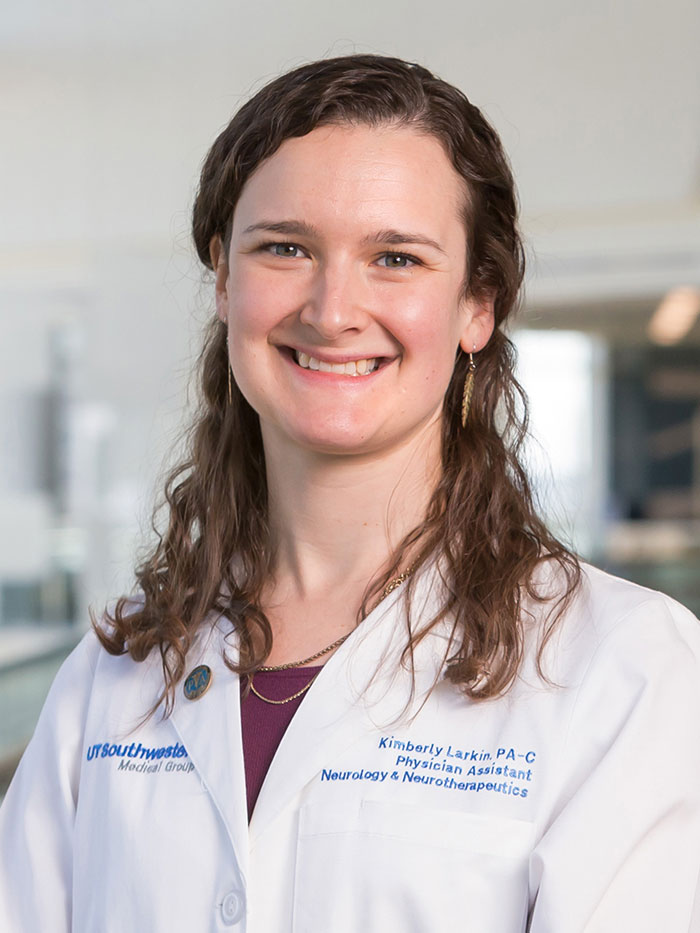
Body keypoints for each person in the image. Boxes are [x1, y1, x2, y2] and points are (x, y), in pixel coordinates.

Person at [1, 54, 699, 933]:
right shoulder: (115, 673)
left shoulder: (625, 670)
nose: (333, 310)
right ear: (222, 278)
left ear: (477, 305)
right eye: (284, 247)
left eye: (396, 257)